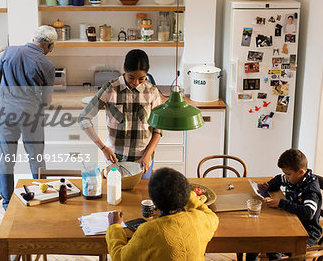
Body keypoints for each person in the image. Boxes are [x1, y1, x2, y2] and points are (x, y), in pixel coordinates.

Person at [0, 25, 56, 210]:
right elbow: (46, 100)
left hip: (5, 112)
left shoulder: (8, 51)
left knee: (6, 159)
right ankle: (39, 200)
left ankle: (6, 205)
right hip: (30, 116)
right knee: (36, 159)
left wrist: (7, 99)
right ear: (50, 46)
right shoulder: (47, 65)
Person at [78, 49, 162, 178]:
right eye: (131, 77)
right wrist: (103, 148)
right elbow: (83, 118)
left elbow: (158, 130)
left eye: (141, 78)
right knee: (115, 195)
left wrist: (148, 154)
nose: (136, 83)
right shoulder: (110, 89)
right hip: (115, 161)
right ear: (124, 69)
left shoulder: (152, 92)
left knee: (142, 196)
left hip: (143, 161)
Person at [106, 167, 219, 260]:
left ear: (154, 202)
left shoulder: (149, 231)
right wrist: (185, 195)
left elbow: (120, 258)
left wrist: (114, 226)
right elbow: (210, 215)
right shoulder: (200, 219)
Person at [246, 149, 322, 261]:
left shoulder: (310, 189)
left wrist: (281, 203)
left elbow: (308, 212)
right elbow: (279, 179)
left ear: (301, 172)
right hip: (290, 220)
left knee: (271, 243)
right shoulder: (295, 178)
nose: (285, 177)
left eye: (288, 174)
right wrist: (269, 185)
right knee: (256, 237)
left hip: (306, 232)